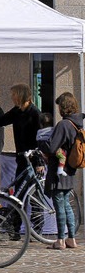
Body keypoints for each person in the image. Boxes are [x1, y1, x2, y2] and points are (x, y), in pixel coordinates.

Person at [39, 92, 84, 249]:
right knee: (66, 205)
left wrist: (41, 145)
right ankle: (71, 238)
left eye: (59, 106)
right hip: (69, 169)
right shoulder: (77, 124)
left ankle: (60, 240)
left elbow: (51, 146)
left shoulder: (64, 124)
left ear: (63, 107)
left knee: (59, 205)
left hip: (59, 170)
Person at [0, 83, 42, 186]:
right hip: (21, 157)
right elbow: (0, 121)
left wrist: (39, 162)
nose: (11, 97)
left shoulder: (35, 114)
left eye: (14, 95)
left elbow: (39, 139)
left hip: (32, 158)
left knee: (28, 190)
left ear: (20, 96)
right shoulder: (17, 111)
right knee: (19, 189)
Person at [37, 112, 67, 177]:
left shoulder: (39, 132)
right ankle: (60, 169)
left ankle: (46, 171)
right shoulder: (53, 130)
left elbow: (37, 140)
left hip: (43, 151)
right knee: (62, 156)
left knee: (47, 162)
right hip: (53, 149)